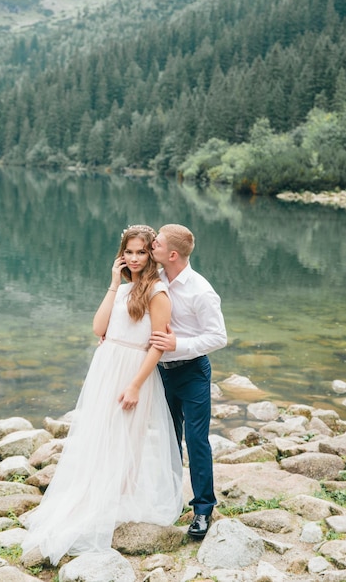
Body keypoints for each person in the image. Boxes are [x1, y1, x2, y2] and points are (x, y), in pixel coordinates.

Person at [21, 225, 182, 564]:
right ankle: (98, 494)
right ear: (121, 254)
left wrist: (136, 384)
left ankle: (120, 499)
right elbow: (98, 328)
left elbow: (157, 346)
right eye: (129, 252)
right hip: (107, 365)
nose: (135, 258)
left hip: (133, 371)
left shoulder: (157, 292)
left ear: (150, 253)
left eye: (141, 252)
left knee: (127, 436)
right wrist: (113, 283)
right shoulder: (123, 290)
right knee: (100, 434)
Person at [150, 224, 227, 540]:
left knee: (195, 441)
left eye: (156, 242)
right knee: (166, 438)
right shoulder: (157, 278)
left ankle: (203, 510)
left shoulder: (201, 291)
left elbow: (218, 337)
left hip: (193, 372)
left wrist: (177, 345)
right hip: (161, 373)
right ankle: (168, 500)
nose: (151, 244)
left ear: (172, 254)